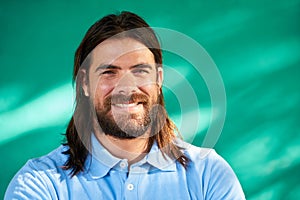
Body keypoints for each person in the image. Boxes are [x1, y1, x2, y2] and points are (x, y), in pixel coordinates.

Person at [5, 11, 245, 199]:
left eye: (140, 71)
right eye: (109, 72)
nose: (126, 88)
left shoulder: (209, 175)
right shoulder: (39, 185)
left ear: (159, 79)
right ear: (85, 84)